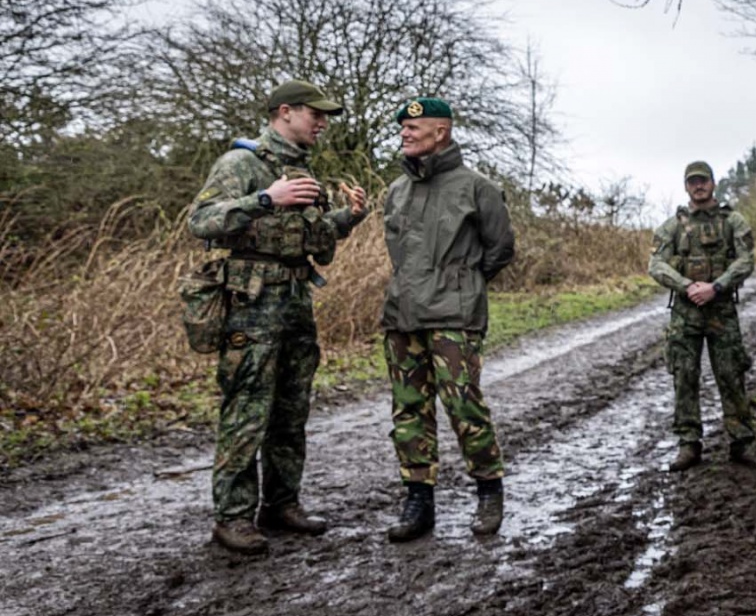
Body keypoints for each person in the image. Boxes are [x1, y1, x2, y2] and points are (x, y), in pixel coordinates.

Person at [188, 79, 369, 556]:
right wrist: (265, 198)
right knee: (248, 410)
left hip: (294, 304)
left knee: (291, 412)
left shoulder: (301, 171)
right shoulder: (241, 163)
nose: (323, 123)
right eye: (316, 114)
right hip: (251, 308)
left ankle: (282, 505)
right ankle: (232, 518)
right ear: (284, 112)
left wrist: (348, 218)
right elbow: (201, 221)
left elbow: (304, 237)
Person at [380, 97, 516, 542]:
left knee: (463, 405)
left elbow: (499, 250)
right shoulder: (396, 190)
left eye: (414, 127)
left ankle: (488, 492)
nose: (405, 133)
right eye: (402, 127)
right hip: (403, 313)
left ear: (441, 132)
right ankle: (418, 501)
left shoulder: (477, 187)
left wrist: (463, 286)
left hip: (454, 316)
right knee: (408, 411)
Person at [647, 160, 756, 472]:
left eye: (703, 181)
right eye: (692, 182)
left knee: (731, 376)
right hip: (685, 314)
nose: (698, 186)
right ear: (686, 187)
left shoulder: (733, 222)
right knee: (684, 377)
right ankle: (688, 443)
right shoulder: (673, 226)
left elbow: (746, 261)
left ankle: (742, 441)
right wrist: (686, 286)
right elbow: (656, 265)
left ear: (713, 183)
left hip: (722, 310)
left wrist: (717, 286)